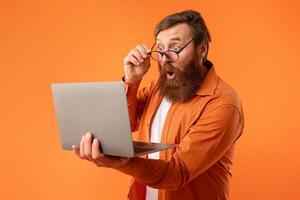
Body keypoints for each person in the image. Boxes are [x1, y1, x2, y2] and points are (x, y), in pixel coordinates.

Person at [72, 10, 244, 200]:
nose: (164, 58)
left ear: (201, 49)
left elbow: (177, 173)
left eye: (175, 48)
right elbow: (127, 124)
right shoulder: (161, 86)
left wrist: (121, 162)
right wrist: (132, 80)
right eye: (160, 49)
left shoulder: (223, 104)